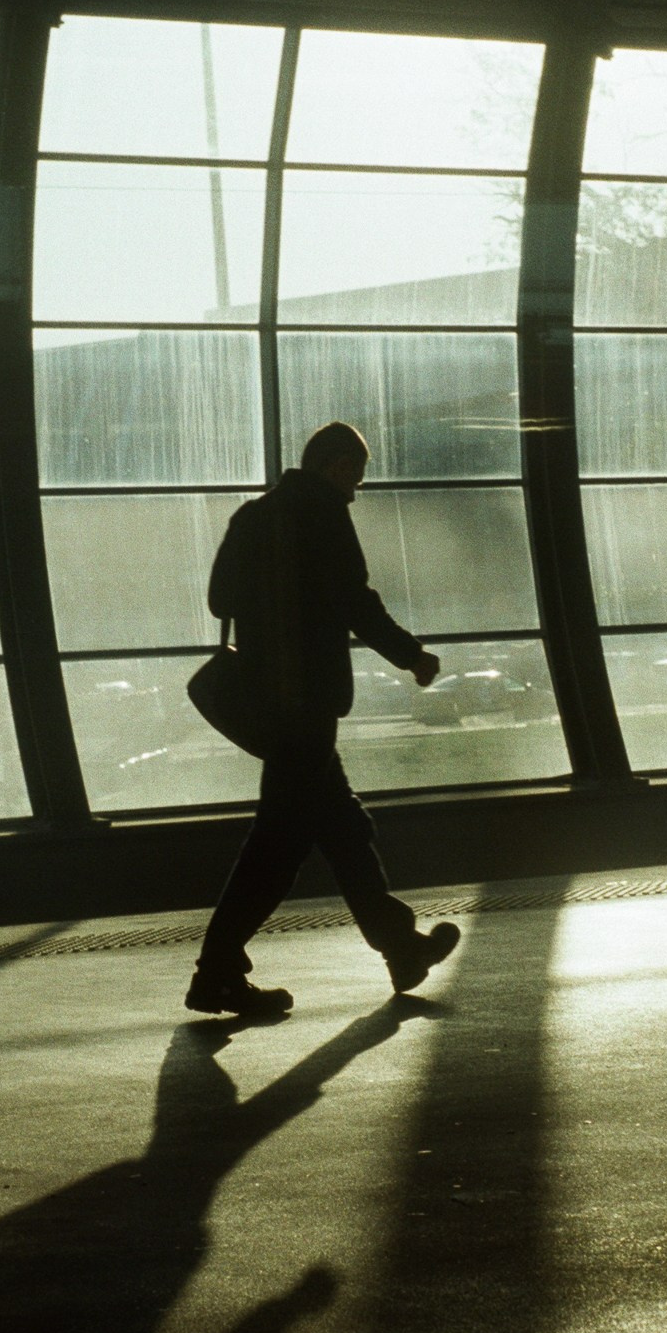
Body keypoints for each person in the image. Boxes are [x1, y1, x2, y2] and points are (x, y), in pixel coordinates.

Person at [185, 421, 462, 1018]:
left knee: (341, 828)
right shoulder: (324, 516)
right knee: (276, 847)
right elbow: (355, 600)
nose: (357, 490)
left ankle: (400, 947)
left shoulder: (252, 516)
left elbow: (218, 602)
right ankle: (217, 974)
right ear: (335, 466)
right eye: (355, 476)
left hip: (267, 698)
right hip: (306, 703)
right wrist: (411, 656)